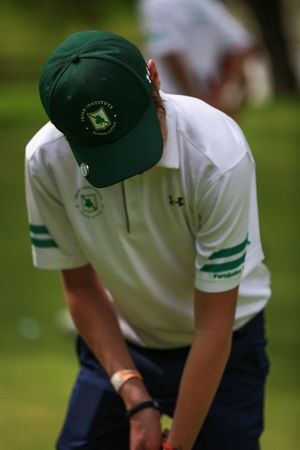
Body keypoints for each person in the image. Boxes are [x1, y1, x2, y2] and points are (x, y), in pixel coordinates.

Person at [25, 30, 271, 450]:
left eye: (135, 133)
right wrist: (135, 398)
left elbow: (214, 323)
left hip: (225, 346)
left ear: (153, 77)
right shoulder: (46, 159)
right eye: (105, 150)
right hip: (122, 343)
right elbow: (80, 287)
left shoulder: (218, 156)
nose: (129, 167)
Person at [137, 0, 259, 118]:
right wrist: (217, 99)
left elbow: (171, 53)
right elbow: (240, 45)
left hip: (171, 101)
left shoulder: (155, 3)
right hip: (197, 99)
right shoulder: (206, 3)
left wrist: (206, 102)